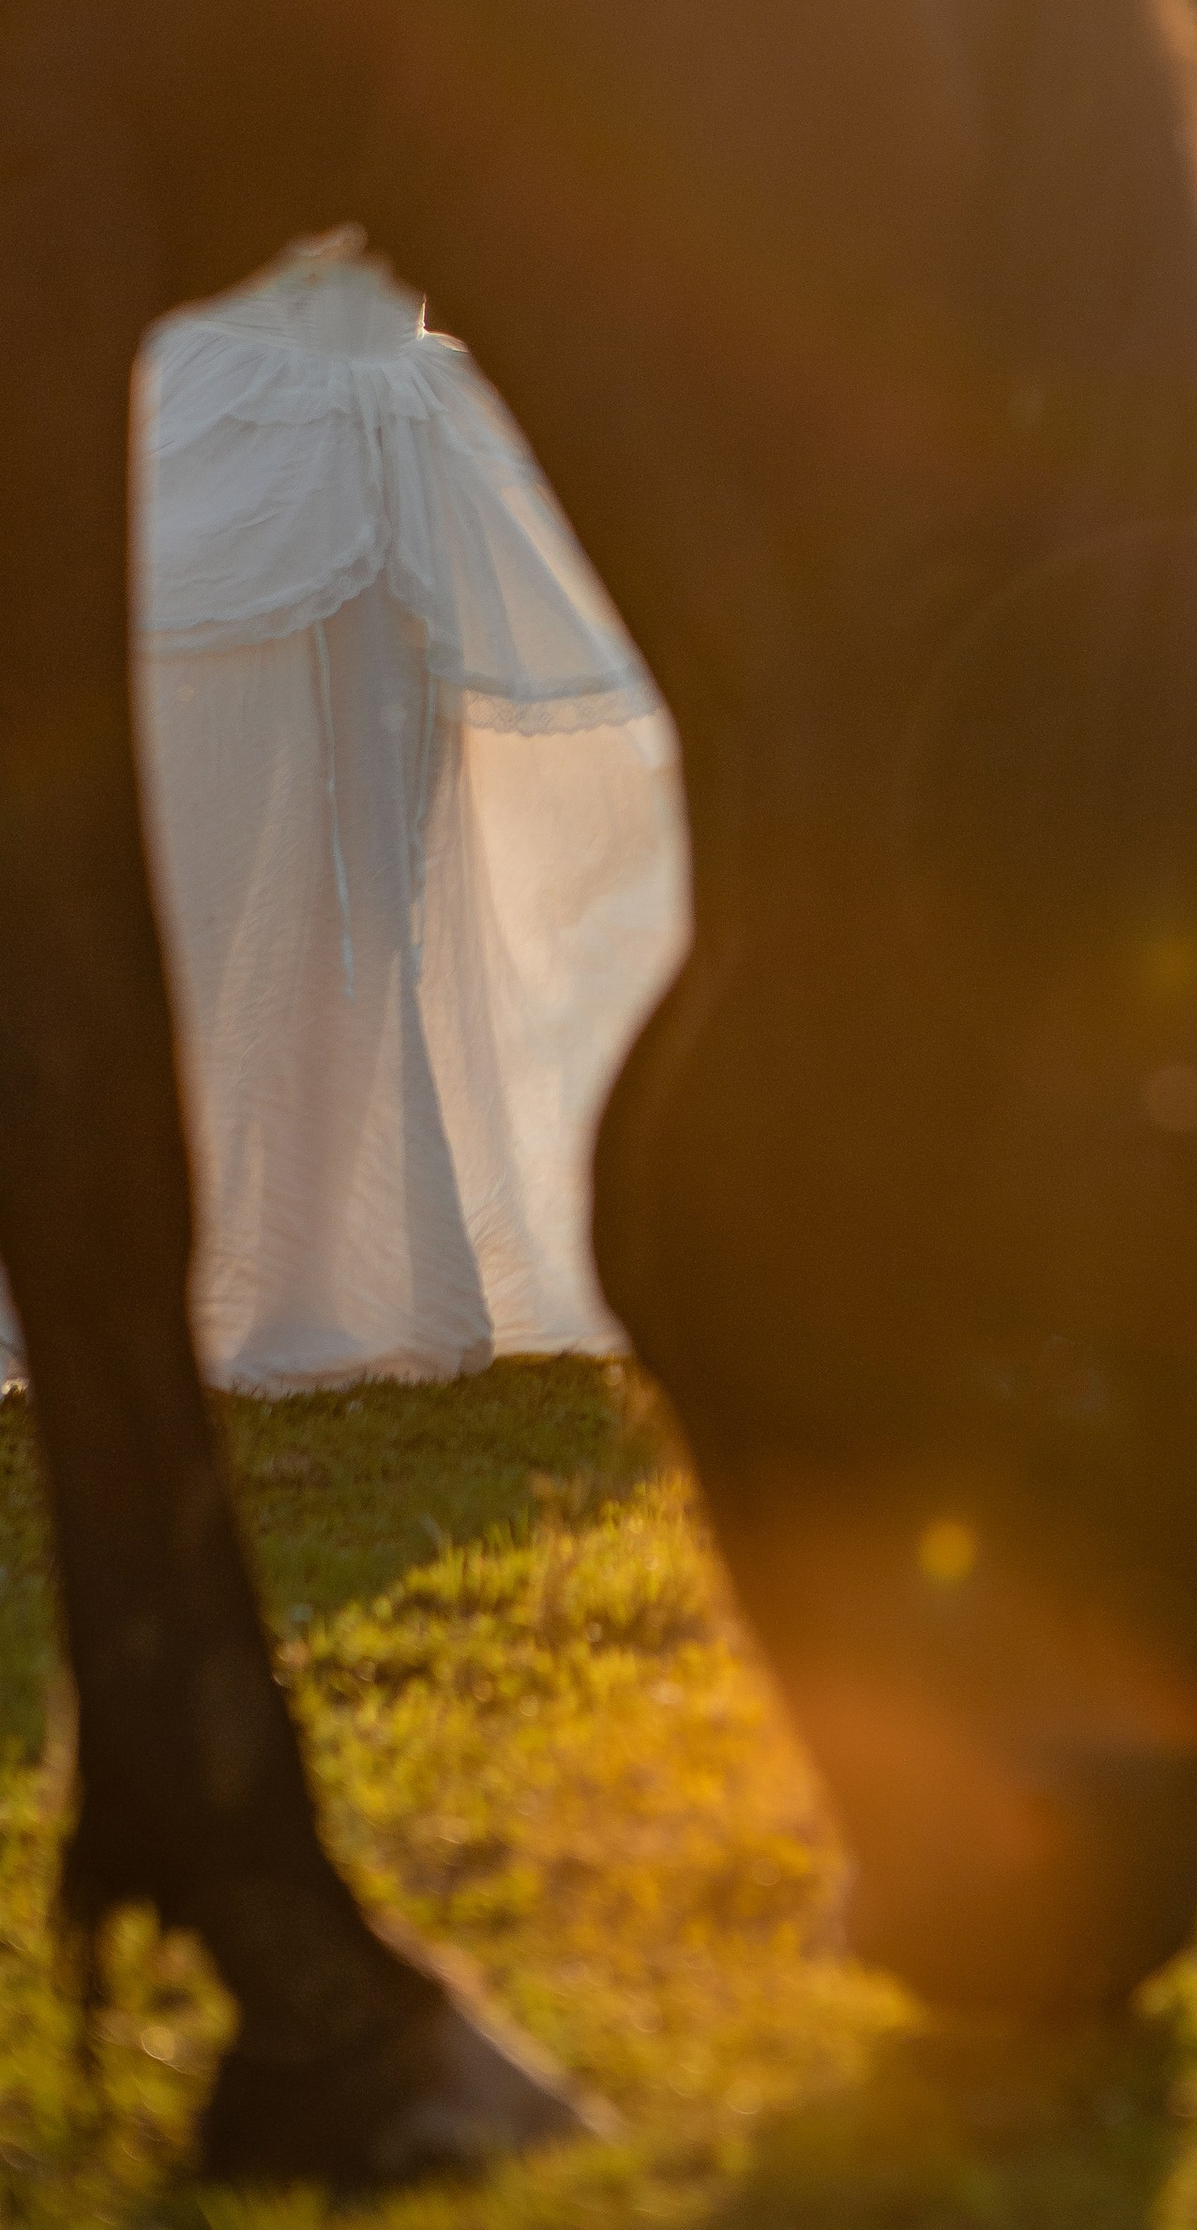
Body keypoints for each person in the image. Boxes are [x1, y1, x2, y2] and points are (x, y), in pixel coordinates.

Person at [0, 232, 690, 1391]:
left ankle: (340, 1263)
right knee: (210, 895)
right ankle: (177, 1258)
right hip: (223, 449)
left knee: (371, 902)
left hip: (383, 442)